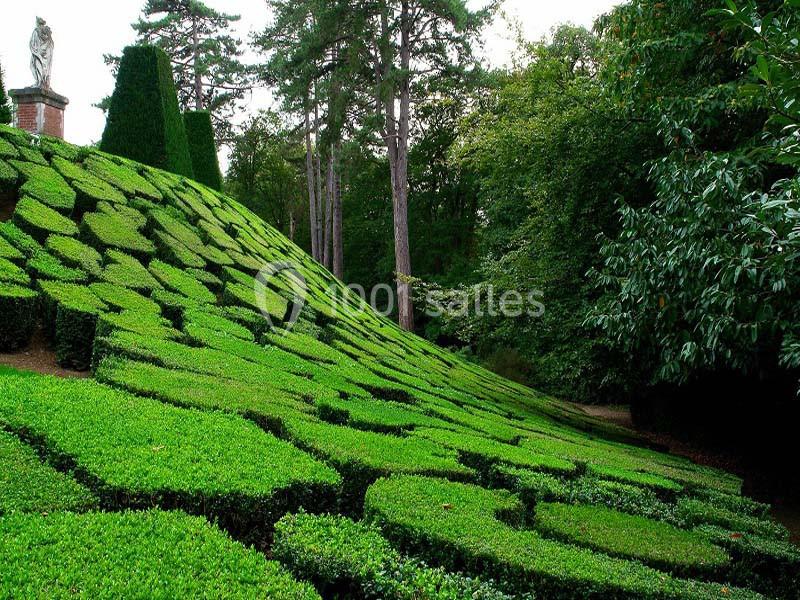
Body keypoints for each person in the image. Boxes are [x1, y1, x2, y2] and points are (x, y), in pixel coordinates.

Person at [30, 17, 54, 90]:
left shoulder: (36, 31)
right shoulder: (48, 34)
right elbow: (51, 45)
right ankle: (43, 82)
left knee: (34, 66)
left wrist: (37, 51)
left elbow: (33, 44)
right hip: (46, 55)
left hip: (37, 53)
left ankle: (40, 82)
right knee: (44, 68)